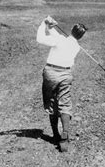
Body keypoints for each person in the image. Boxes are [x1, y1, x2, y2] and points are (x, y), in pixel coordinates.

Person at [36, 16, 87, 152]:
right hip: (65, 75)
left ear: (71, 29)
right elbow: (59, 38)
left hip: (51, 73)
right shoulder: (76, 46)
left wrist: (43, 24)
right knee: (65, 103)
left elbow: (40, 39)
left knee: (51, 102)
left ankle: (55, 135)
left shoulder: (61, 40)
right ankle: (65, 132)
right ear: (81, 36)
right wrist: (51, 27)